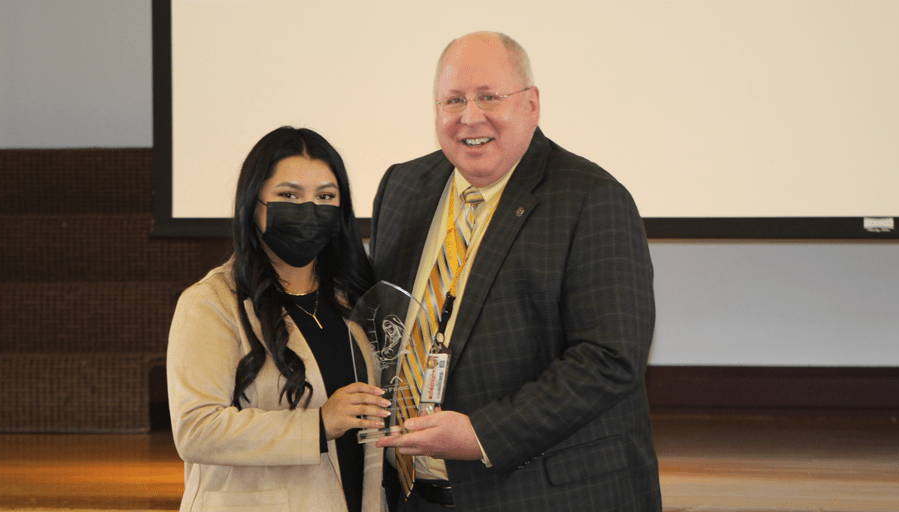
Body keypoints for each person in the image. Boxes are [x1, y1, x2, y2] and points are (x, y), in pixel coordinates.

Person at [371, 32, 662, 511]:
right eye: (453, 100)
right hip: (411, 494)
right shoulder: (403, 186)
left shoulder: (591, 198)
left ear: (531, 104)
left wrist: (483, 434)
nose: (470, 117)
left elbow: (610, 358)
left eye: (489, 96)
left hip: (542, 495)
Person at [168, 126, 390, 512]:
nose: (309, 209)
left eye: (325, 196)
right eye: (289, 196)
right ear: (255, 204)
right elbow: (196, 430)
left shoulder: (351, 301)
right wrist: (318, 425)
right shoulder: (211, 302)